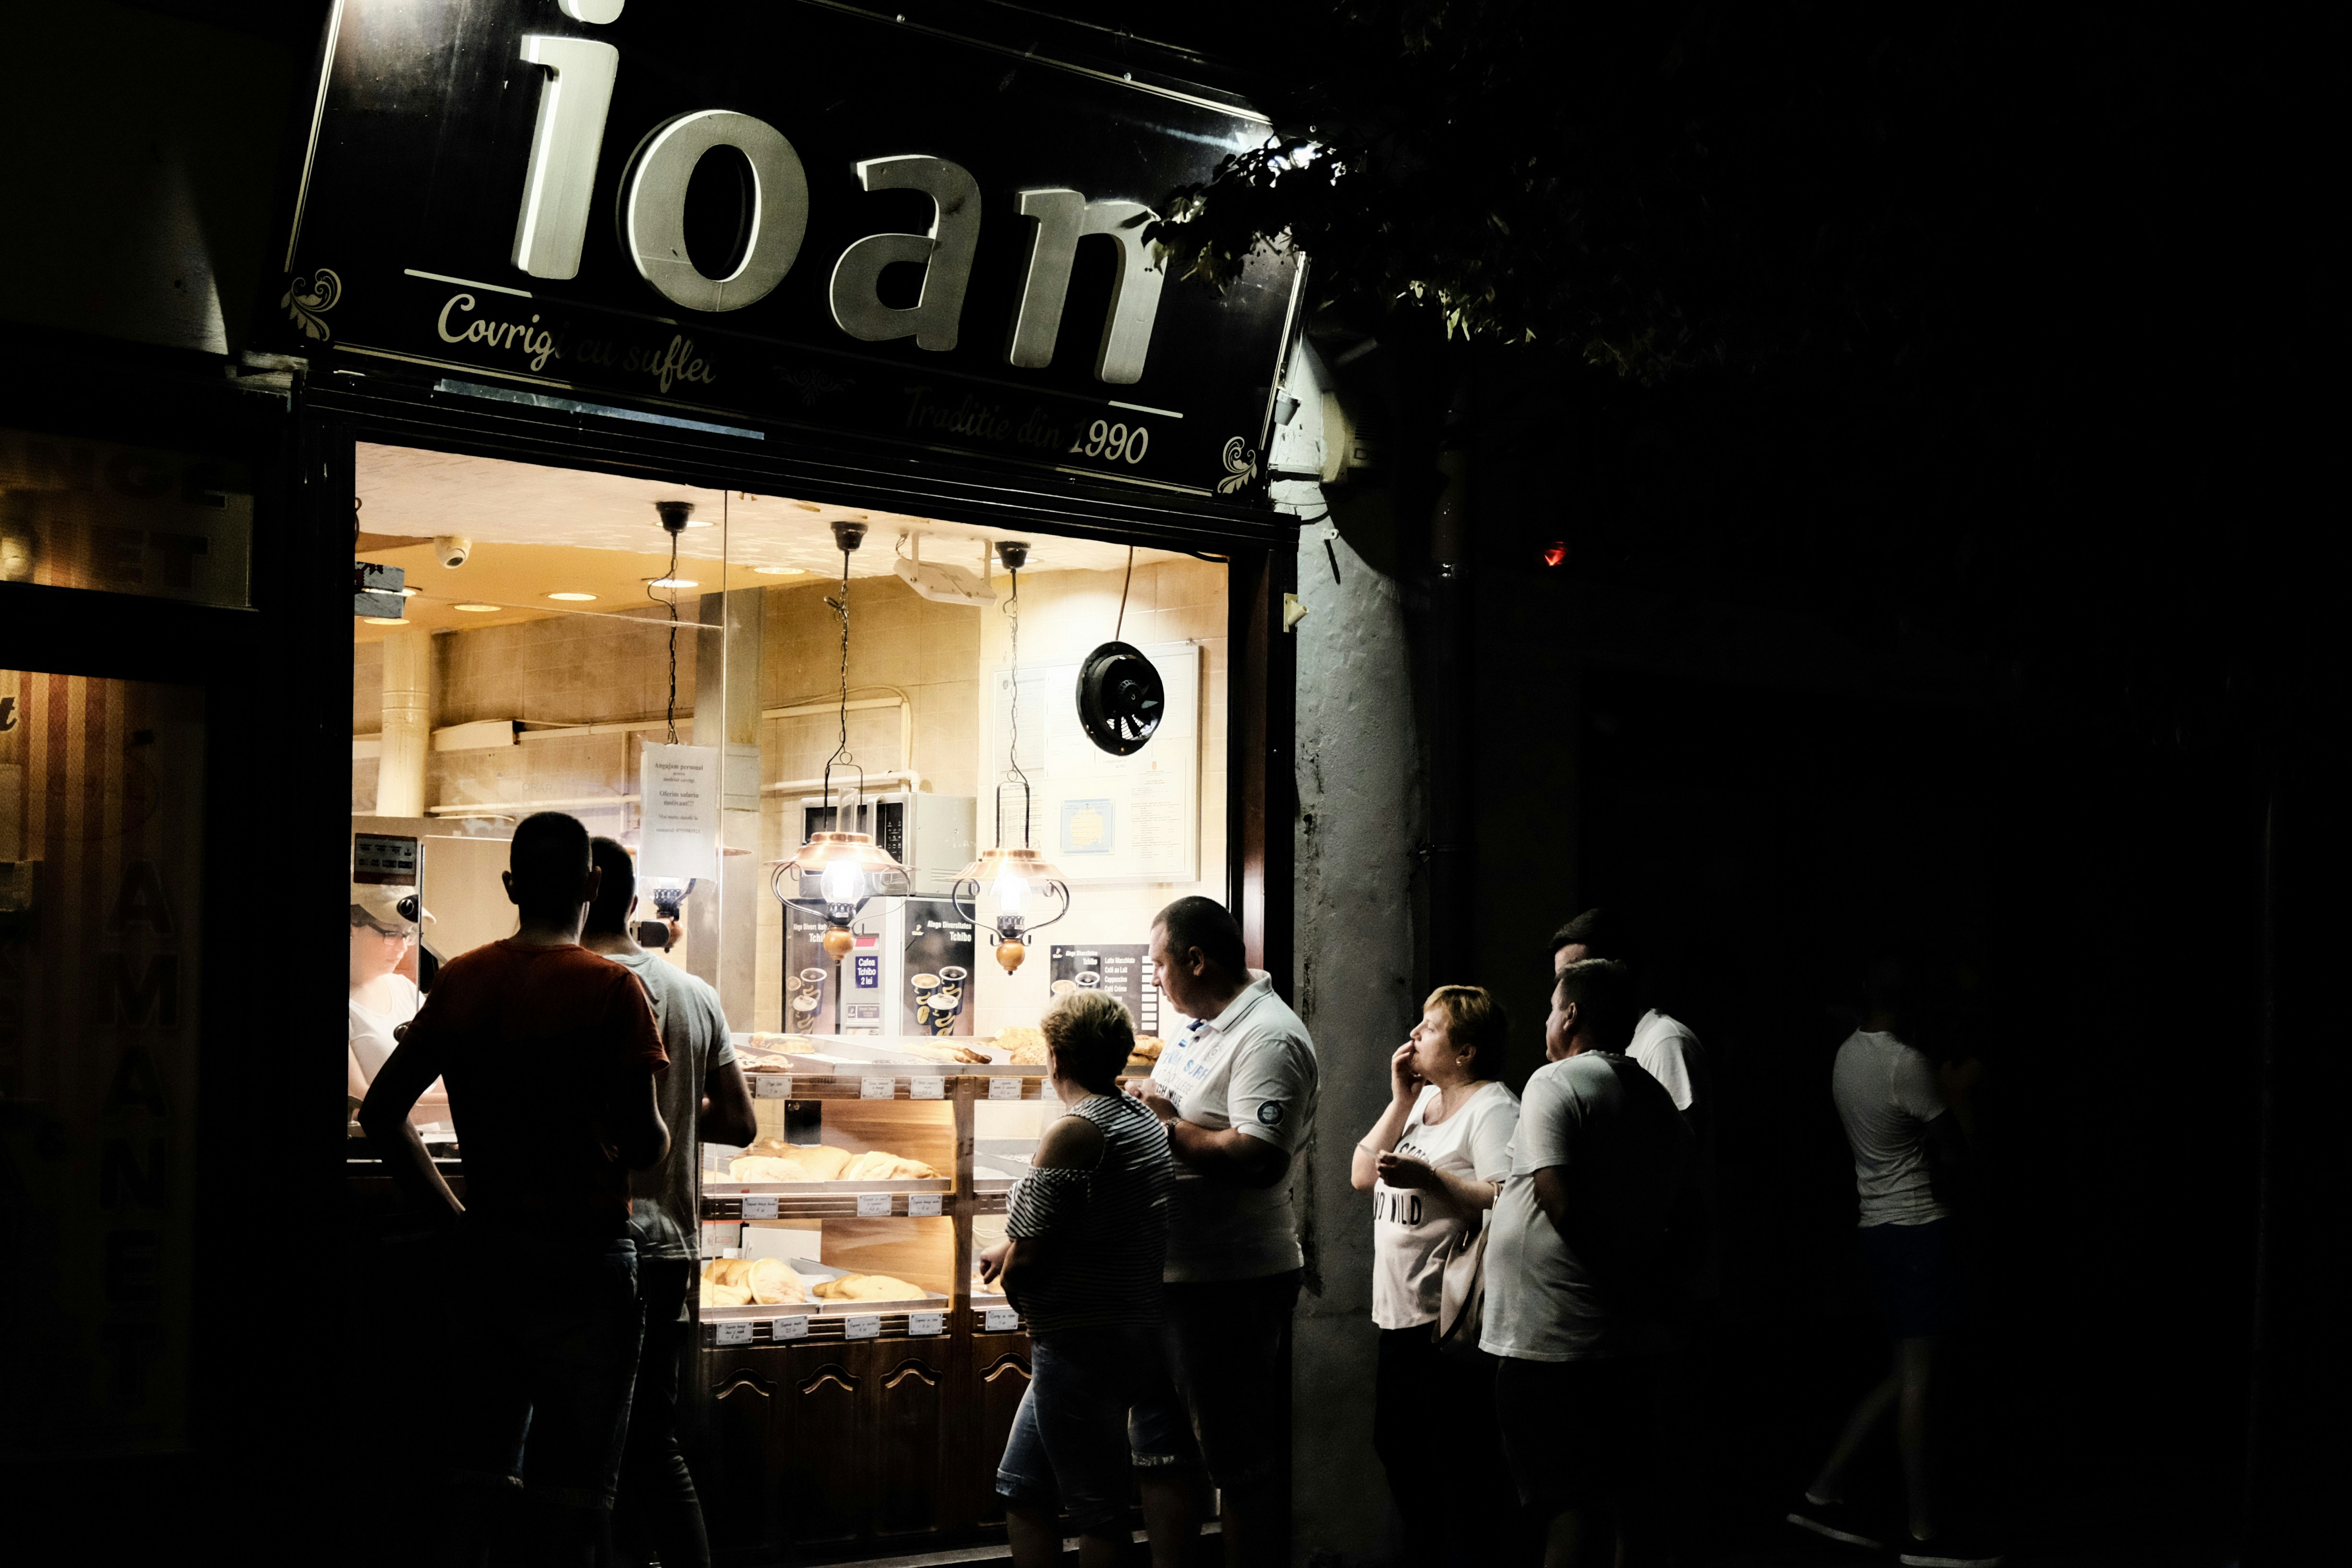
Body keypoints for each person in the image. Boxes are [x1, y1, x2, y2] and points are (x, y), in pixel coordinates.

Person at [360, 811, 671, 1568]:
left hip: (488, 1254)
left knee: (479, 1471)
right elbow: (645, 1147)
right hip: (586, 1260)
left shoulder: (464, 977)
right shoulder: (612, 990)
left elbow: (381, 1114)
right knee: (578, 1489)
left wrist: (455, 1221)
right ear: (594, 888)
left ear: (509, 887)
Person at [1787, 959, 2002, 1568]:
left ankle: (1824, 1493)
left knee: (1907, 1372)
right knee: (1919, 1380)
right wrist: (1956, 1093)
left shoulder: (1847, 1055)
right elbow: (1957, 1160)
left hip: (1879, 1225)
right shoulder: (1906, 1065)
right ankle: (1923, 1533)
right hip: (1916, 1228)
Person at [1126, 895, 1318, 1568]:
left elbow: (1257, 1159)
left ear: (1196, 960)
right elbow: (1174, 1114)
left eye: (1158, 965)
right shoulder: (1199, 1029)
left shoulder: (1270, 1037)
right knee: (1158, 1451)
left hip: (1228, 1283)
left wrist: (1165, 1128)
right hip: (1168, 1277)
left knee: (1237, 1466)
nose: (1154, 978)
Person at [580, 837, 756, 1568]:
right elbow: (741, 1124)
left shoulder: (572, 983)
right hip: (672, 1244)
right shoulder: (694, 993)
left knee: (584, 1434)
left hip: (590, 1239)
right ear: (630, 901)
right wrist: (676, 1122)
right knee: (653, 1431)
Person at [1482, 959, 1691, 1568]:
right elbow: (1687, 1213)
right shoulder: (1655, 1098)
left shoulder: (1558, 1081)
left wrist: (1618, 1282)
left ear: (1570, 1015)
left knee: (1569, 1509)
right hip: (1619, 1341)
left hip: (1555, 1344)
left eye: (1552, 1008)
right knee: (1623, 1498)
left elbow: (1558, 1197)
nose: (1548, 1020)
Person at [980, 990, 1176, 1568]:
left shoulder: (1074, 1131)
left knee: (1097, 1512)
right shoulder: (1137, 1115)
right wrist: (1012, 1244)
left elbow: (1035, 1252)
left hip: (1078, 1340)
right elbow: (1098, 1212)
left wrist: (1016, 1275)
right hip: (1124, 1327)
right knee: (1021, 1487)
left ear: (1056, 1058)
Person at [1554, 908, 1718, 1561]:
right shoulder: (1617, 1053)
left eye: (1581, 974)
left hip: (1664, 1272)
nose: (1569, 997)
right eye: (1564, 980)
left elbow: (1674, 1157)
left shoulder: (1663, 1044)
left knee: (1656, 1447)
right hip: (1639, 1272)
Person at [1350, 985, 1520, 1568]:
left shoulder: (1493, 1106)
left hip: (1445, 1322)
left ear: (1466, 1051)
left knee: (1456, 1464)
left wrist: (1432, 1180)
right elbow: (1359, 1174)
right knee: (1399, 1448)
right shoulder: (1421, 1106)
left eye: (1430, 1027)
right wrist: (1400, 1100)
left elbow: (1507, 1198)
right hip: (1398, 1314)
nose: (1414, 1034)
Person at [347, 885, 448, 1120]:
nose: (403, 947)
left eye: (410, 934)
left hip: (428, 1144)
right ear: (352, 927)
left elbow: (443, 1073)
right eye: (392, 934)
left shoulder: (405, 989)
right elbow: (365, 1099)